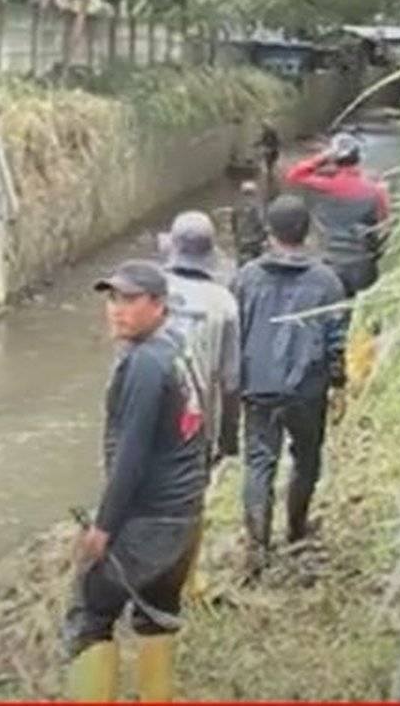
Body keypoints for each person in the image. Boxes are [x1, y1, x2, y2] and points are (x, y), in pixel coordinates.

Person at [63, 260, 208, 702]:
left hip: (149, 521)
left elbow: (132, 457)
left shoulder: (144, 365)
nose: (116, 310)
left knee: (89, 614)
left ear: (158, 304)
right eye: (112, 298)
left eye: (129, 300)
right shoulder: (178, 348)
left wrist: (103, 529)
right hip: (183, 516)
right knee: (157, 614)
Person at [232, 196, 347, 580]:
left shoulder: (246, 277)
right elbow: (336, 338)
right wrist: (339, 383)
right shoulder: (327, 281)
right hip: (306, 389)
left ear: (269, 233)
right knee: (307, 457)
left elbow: (236, 332)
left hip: (258, 385)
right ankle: (296, 530)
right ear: (308, 231)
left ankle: (256, 548)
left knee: (259, 462)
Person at [160, 210, 241, 600]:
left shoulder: (148, 290)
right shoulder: (223, 303)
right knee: (192, 501)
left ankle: (138, 575)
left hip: (149, 410)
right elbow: (230, 379)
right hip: (197, 420)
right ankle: (186, 581)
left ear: (173, 249)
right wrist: (228, 439)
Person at [282, 131, 389, 299]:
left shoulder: (324, 186)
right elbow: (384, 225)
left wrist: (324, 156)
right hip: (363, 265)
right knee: (362, 316)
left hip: (330, 263)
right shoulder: (376, 190)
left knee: (331, 313)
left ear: (335, 160)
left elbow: (295, 174)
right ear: (359, 158)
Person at [231, 180, 266, 267]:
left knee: (241, 267)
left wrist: (236, 239)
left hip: (242, 243)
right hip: (255, 243)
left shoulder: (237, 207)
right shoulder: (258, 207)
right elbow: (261, 224)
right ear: (255, 193)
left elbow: (234, 225)